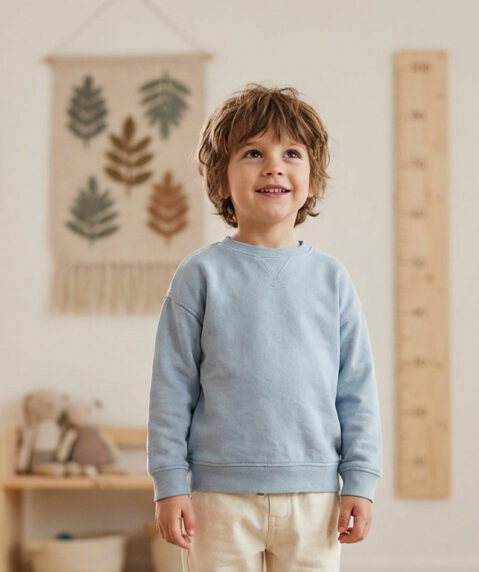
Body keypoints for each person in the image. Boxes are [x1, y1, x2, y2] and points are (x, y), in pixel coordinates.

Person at [147, 83, 382, 572]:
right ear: (221, 179)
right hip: (217, 499)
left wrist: (360, 480)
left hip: (315, 499)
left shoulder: (332, 279)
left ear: (312, 180)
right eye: (253, 152)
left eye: (291, 153)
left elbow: (356, 389)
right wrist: (170, 484)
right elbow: (171, 389)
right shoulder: (199, 275)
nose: (273, 165)